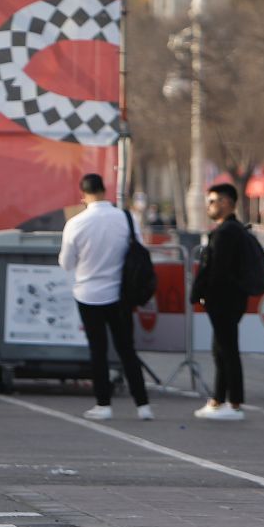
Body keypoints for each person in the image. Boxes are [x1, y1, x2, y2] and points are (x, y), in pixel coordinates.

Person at [57, 173, 151, 422]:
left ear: (83, 194)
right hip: (121, 293)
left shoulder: (76, 223)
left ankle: (103, 404)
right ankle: (143, 405)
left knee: (97, 350)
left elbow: (66, 263)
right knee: (126, 349)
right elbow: (139, 249)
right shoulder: (125, 218)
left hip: (88, 293)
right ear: (104, 190)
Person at [192, 182, 259, 421]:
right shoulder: (231, 229)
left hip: (224, 300)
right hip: (228, 299)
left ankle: (234, 402)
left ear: (226, 203)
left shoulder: (227, 233)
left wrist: (204, 292)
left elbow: (216, 270)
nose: (208, 206)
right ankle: (218, 400)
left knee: (227, 350)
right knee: (220, 349)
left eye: (212, 201)